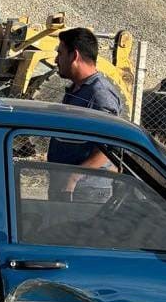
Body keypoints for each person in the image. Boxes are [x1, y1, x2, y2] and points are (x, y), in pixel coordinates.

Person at [47, 27, 124, 200]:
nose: (56, 59)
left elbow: (109, 146)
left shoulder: (100, 94)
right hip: (67, 187)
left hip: (85, 193)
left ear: (74, 56)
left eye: (60, 53)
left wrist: (74, 177)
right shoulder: (77, 89)